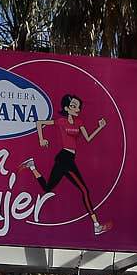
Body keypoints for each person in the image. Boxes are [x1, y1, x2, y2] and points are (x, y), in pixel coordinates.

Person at [21, 94, 111, 236]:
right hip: (64, 158)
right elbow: (39, 123)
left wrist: (99, 127)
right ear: (66, 108)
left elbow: (88, 138)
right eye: (74, 106)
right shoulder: (61, 121)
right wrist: (41, 139)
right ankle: (96, 225)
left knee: (47, 188)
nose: (77, 108)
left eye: (78, 106)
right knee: (84, 191)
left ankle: (32, 166)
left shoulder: (79, 122)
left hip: (68, 158)